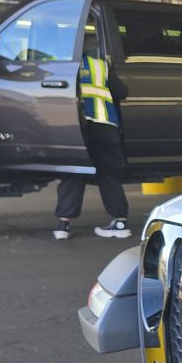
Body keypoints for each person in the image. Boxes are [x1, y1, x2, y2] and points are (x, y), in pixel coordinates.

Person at [54, 33, 131, 240]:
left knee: (74, 171)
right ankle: (120, 221)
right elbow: (122, 91)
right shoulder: (101, 66)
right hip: (106, 124)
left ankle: (64, 224)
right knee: (109, 174)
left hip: (80, 125)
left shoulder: (67, 66)